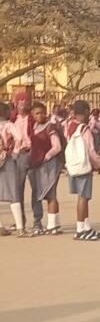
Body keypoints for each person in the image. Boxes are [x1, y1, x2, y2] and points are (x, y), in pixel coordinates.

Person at [66, 100, 100, 241]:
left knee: (82, 198)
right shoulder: (85, 129)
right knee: (83, 198)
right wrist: (99, 165)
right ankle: (80, 228)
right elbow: (91, 151)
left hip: (74, 165)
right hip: (84, 166)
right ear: (87, 111)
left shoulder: (70, 126)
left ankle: (86, 226)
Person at [29, 102, 63, 236]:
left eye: (42, 112)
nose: (40, 115)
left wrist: (45, 157)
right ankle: (38, 222)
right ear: (32, 115)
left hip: (49, 164)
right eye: (37, 113)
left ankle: (53, 225)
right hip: (35, 165)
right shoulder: (34, 127)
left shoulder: (50, 127)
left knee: (51, 194)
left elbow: (57, 147)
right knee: (37, 194)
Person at [13, 91, 43, 235]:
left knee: (36, 189)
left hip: (32, 154)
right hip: (17, 155)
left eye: (26, 101)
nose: (24, 103)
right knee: (17, 190)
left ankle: (37, 221)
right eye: (21, 101)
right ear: (16, 103)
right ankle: (20, 221)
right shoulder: (12, 119)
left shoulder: (33, 118)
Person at [0, 103, 25, 236]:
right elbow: (19, 137)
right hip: (7, 160)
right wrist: (15, 152)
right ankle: (20, 228)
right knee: (13, 193)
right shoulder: (8, 125)